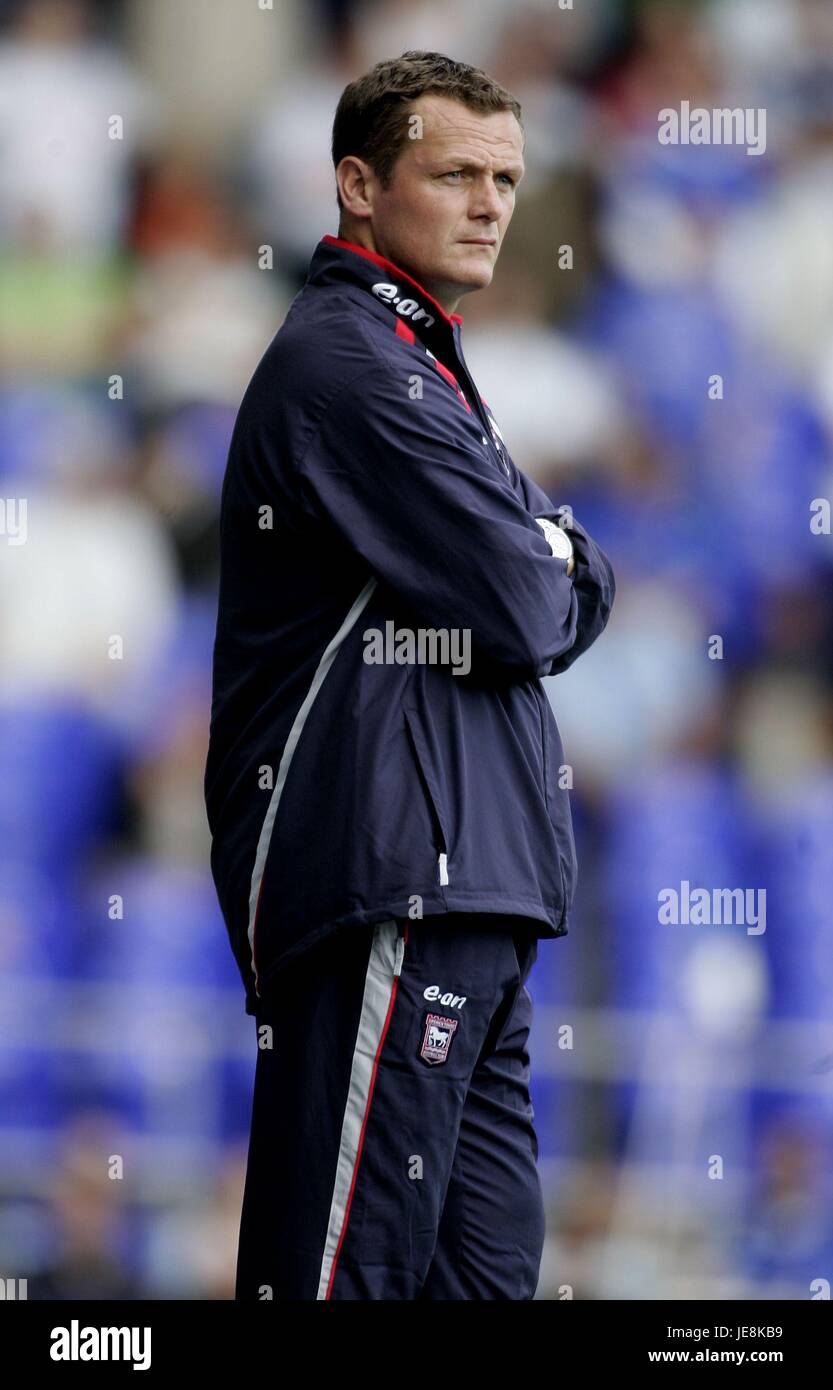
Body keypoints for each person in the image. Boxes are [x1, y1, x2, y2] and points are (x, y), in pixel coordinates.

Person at [204, 49, 616, 1301]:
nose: (491, 203)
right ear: (358, 185)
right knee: (349, 1273)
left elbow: (565, 576)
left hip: (473, 884)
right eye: (453, 174)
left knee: (483, 1281)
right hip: (392, 875)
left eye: (503, 178)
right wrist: (540, 546)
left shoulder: (421, 364)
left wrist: (541, 552)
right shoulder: (351, 363)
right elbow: (532, 591)